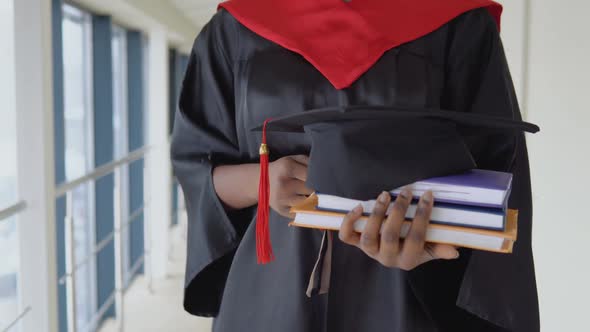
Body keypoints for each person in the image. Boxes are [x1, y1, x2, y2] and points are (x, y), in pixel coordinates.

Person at [170, 0, 539, 331]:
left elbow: (499, 174)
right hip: (270, 294)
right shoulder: (235, 28)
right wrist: (262, 180)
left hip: (409, 296)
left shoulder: (457, 22)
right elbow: (197, 167)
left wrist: (431, 246)